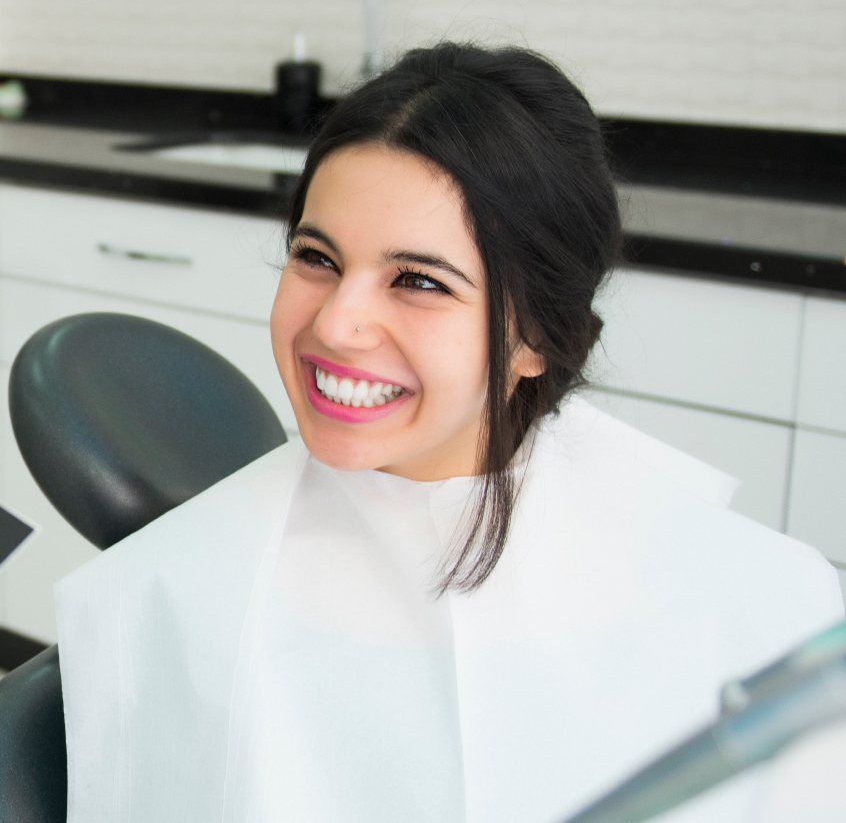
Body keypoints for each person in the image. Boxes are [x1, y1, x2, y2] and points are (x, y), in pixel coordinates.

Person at [55, 43, 843, 823]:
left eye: (420, 281)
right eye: (316, 258)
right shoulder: (165, 597)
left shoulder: (758, 612)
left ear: (536, 334)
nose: (337, 324)